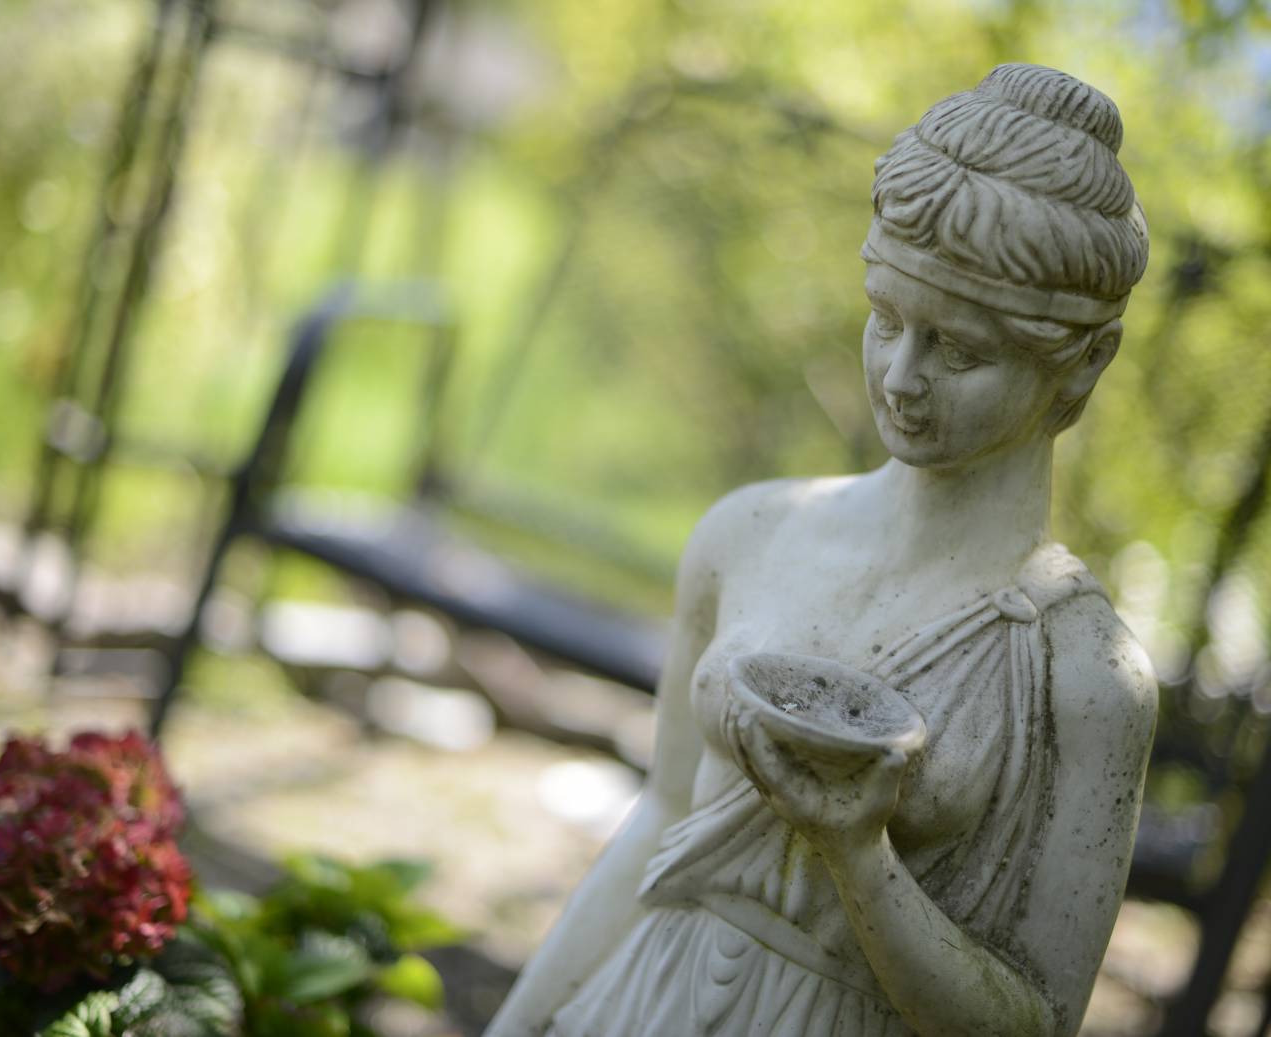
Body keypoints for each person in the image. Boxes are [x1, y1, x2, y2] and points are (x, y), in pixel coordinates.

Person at [486, 63, 1156, 1037]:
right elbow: (658, 818)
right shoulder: (752, 531)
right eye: (884, 319)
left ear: (1083, 358)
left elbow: (1034, 1020)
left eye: (960, 351)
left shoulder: (1082, 674)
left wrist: (859, 854)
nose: (900, 374)